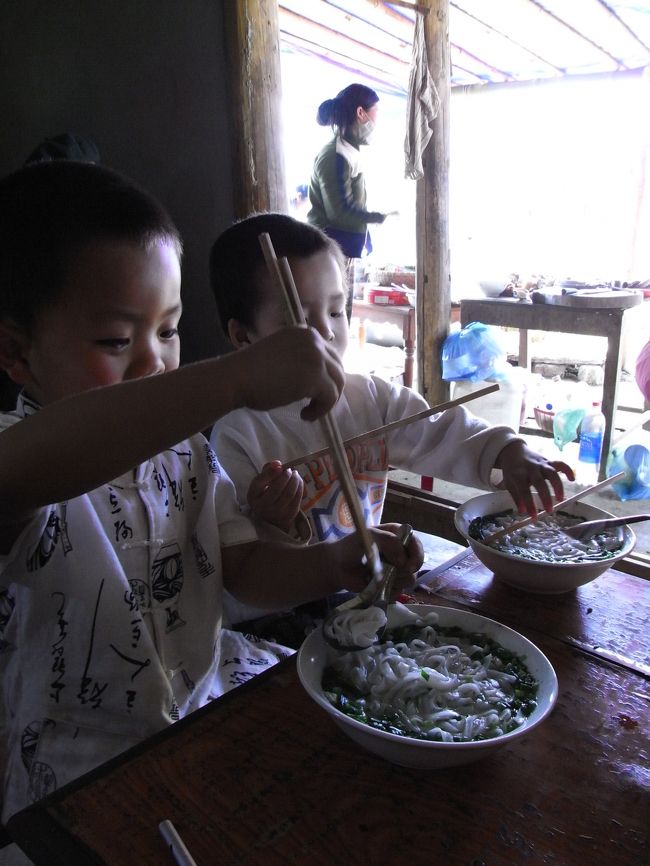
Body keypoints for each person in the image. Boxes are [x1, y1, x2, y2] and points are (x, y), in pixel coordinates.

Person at [0, 162, 422, 848]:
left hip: (201, 717)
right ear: (17, 352)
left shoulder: (186, 454)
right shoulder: (27, 455)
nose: (154, 364)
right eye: (116, 340)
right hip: (75, 772)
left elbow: (242, 568)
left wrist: (336, 562)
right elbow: (23, 474)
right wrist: (233, 380)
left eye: (167, 332)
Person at [209, 213, 575, 626]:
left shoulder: (370, 398)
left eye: (335, 311)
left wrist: (506, 451)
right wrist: (271, 521)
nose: (326, 334)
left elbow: (440, 430)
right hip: (275, 623)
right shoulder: (236, 435)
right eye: (299, 319)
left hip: (361, 598)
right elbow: (241, 570)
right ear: (244, 337)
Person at [307, 83, 390, 321]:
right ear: (361, 113)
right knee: (332, 321)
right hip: (329, 250)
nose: (376, 122)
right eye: (375, 113)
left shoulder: (349, 152)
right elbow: (339, 213)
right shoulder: (335, 155)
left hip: (343, 248)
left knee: (340, 320)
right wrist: (377, 217)